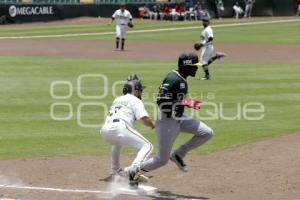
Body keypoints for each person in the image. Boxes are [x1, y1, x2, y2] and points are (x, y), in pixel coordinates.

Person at [125, 53, 214, 187]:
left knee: (207, 133)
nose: (197, 68)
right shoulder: (173, 79)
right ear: (187, 66)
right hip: (166, 122)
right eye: (195, 66)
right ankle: (132, 171)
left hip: (179, 119)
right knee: (162, 160)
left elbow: (175, 101)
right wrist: (185, 102)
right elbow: (161, 101)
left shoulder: (182, 78)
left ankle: (178, 154)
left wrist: (183, 103)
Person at [100, 75, 155, 184]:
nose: (141, 93)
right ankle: (133, 170)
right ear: (135, 91)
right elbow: (144, 119)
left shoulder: (117, 99)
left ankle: (115, 171)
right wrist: (153, 125)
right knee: (148, 146)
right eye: (140, 90)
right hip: (119, 128)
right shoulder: (135, 100)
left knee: (117, 143)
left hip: (105, 131)